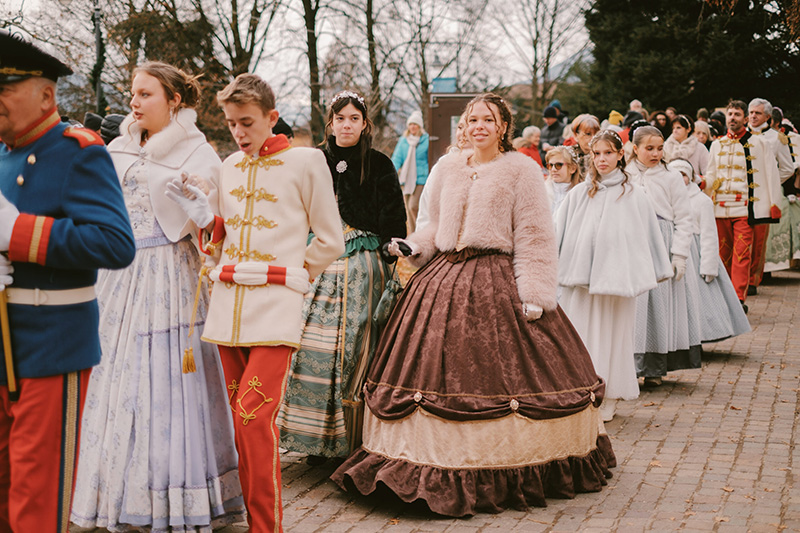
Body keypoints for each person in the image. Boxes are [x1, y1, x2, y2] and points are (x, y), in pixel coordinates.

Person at [332, 93, 616, 516]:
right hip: (443, 273)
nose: (478, 126)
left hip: (496, 276)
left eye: (488, 119)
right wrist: (414, 246)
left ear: (503, 127)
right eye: (472, 119)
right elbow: (433, 225)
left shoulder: (521, 169)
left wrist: (535, 294)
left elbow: (535, 236)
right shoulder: (448, 167)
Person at [70, 61, 245, 531]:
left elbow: (217, 227)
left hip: (170, 274)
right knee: (113, 376)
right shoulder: (117, 147)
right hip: (117, 274)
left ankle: (172, 495)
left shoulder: (199, 153)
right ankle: (112, 487)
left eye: (146, 94)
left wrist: (201, 208)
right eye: (133, 93)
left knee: (167, 383)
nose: (134, 101)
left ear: (174, 100)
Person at [166, 72, 344, 532]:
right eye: (231, 124)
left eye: (246, 122)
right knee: (239, 427)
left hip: (275, 308)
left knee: (251, 419)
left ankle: (267, 528)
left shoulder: (306, 161)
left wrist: (292, 275)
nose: (239, 133)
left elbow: (331, 239)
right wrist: (209, 223)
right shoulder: (228, 167)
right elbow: (219, 246)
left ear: (271, 116)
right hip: (227, 311)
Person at [0, 30, 136, 531]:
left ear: (45, 94)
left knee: (35, 501)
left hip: (51, 344)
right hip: (3, 342)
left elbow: (115, 243)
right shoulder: (1, 154)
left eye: (5, 87)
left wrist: (18, 233)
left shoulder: (78, 151)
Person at [278, 91, 406, 460]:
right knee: (308, 340)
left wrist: (391, 245)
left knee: (358, 341)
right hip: (317, 256)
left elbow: (394, 218)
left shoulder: (379, 163)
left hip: (364, 260)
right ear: (330, 123)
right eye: (340, 118)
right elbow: (294, 208)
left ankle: (355, 437)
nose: (346, 125)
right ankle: (314, 436)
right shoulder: (313, 160)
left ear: (364, 124)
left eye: (354, 118)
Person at [556, 130, 672, 421]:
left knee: (613, 338)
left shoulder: (634, 195)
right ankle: (581, 391)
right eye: (596, 154)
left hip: (618, 283)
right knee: (581, 335)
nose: (601, 159)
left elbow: (647, 235)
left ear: (621, 155)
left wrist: (651, 268)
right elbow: (557, 232)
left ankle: (608, 394)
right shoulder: (579, 194)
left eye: (608, 153)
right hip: (581, 282)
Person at [627, 125, 702, 388]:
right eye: (649, 148)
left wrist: (679, 254)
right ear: (635, 148)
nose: (655, 154)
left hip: (661, 242)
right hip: (631, 242)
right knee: (632, 307)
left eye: (659, 148)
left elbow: (684, 218)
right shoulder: (625, 175)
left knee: (658, 305)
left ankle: (654, 367)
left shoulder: (670, 177)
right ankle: (628, 365)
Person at [704, 100, 781, 311]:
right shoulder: (717, 145)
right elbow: (711, 174)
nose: (732, 118)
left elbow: (771, 173)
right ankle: (723, 298)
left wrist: (774, 203)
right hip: (719, 208)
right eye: (730, 114)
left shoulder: (759, 143)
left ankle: (738, 299)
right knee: (723, 255)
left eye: (737, 114)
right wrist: (701, 183)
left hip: (745, 209)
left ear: (745, 119)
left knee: (742, 253)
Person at [667, 158, 750, 342]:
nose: (679, 179)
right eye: (675, 175)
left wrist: (709, 266)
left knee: (697, 299)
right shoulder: (665, 199)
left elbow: (709, 236)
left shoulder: (701, 201)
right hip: (672, 253)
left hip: (695, 255)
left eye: (683, 175)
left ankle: (698, 336)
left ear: (691, 177)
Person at [747, 98, 794, 291]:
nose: (753, 116)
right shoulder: (740, 135)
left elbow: (788, 168)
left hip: (763, 196)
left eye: (757, 113)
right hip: (742, 194)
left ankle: (753, 280)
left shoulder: (776, 138)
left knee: (759, 240)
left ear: (767, 116)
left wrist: (770, 183)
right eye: (751, 112)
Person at [391, 110, 429, 234]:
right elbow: (397, 158)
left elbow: (430, 158)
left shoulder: (426, 140)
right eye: (411, 124)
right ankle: (413, 235)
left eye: (415, 124)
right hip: (406, 179)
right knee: (407, 208)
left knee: (414, 205)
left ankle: (420, 232)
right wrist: (391, 172)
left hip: (421, 178)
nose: (413, 127)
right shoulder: (403, 141)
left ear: (420, 126)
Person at [544, 145, 582, 216]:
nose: (553, 169)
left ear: (572, 168)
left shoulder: (581, 194)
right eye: (550, 165)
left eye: (558, 165)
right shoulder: (541, 191)